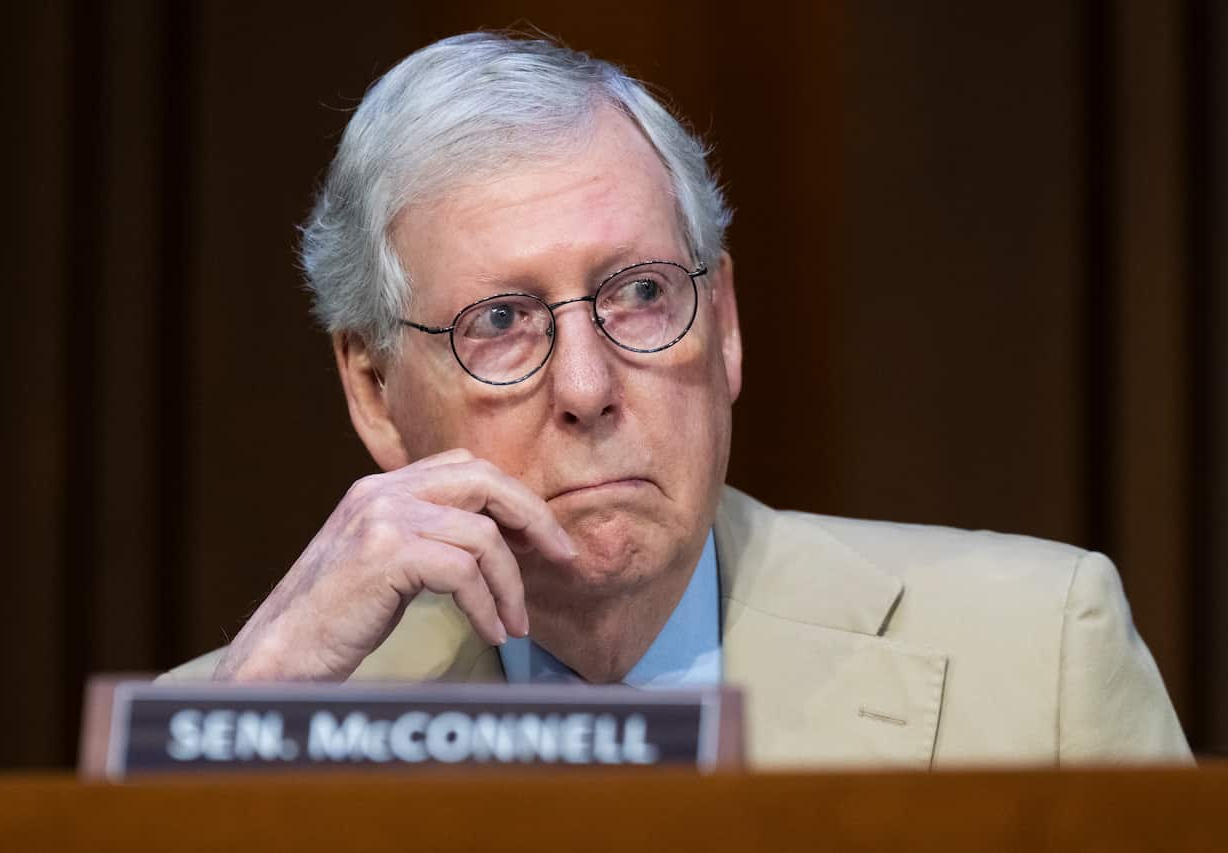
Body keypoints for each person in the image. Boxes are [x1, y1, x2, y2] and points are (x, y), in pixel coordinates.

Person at [163, 32, 1192, 768]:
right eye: (500, 323)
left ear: (726, 321)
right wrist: (242, 727)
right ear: (376, 393)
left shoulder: (1036, 650)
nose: (584, 387)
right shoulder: (237, 720)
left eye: (641, 294)